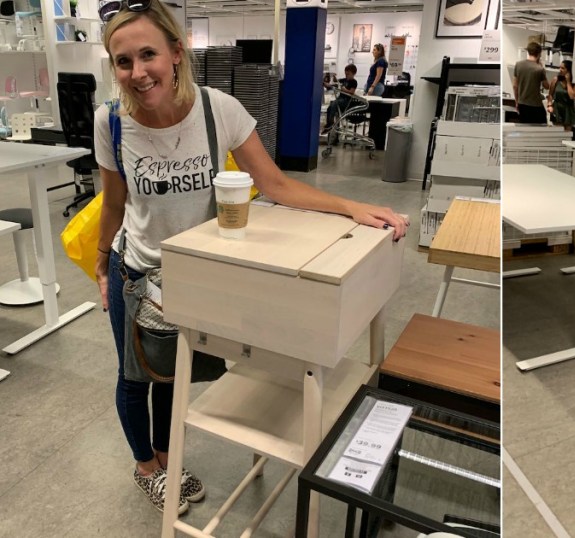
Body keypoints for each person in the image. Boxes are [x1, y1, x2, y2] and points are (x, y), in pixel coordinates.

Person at [94, 0, 408, 515]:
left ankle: (169, 459)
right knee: (135, 376)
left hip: (198, 273)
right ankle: (146, 468)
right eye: (122, 61)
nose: (137, 72)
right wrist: (104, 262)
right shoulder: (113, 123)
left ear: (176, 52)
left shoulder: (219, 109)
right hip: (139, 272)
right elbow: (114, 202)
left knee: (174, 374)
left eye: (147, 54)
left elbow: (275, 184)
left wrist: (353, 207)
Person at [513, 41, 549, 124]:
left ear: (528, 51)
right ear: (539, 53)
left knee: (525, 129)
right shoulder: (539, 68)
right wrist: (543, 69)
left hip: (522, 103)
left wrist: (517, 101)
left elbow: (515, 86)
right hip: (535, 105)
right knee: (540, 128)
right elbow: (546, 86)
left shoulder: (518, 65)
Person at [322, 64, 359, 135]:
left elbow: (352, 92)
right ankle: (329, 123)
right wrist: (329, 83)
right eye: (346, 74)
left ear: (353, 74)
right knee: (330, 107)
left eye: (348, 74)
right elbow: (335, 83)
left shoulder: (354, 82)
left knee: (334, 103)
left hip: (346, 101)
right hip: (340, 99)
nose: (346, 75)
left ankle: (330, 123)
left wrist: (344, 90)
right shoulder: (343, 80)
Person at [546, 60, 575, 131]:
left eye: (563, 68)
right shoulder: (556, 80)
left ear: (569, 70)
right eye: (560, 68)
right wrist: (549, 105)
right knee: (558, 134)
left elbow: (572, 96)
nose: (560, 70)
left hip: (568, 110)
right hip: (557, 109)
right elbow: (550, 94)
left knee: (567, 135)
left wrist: (568, 82)